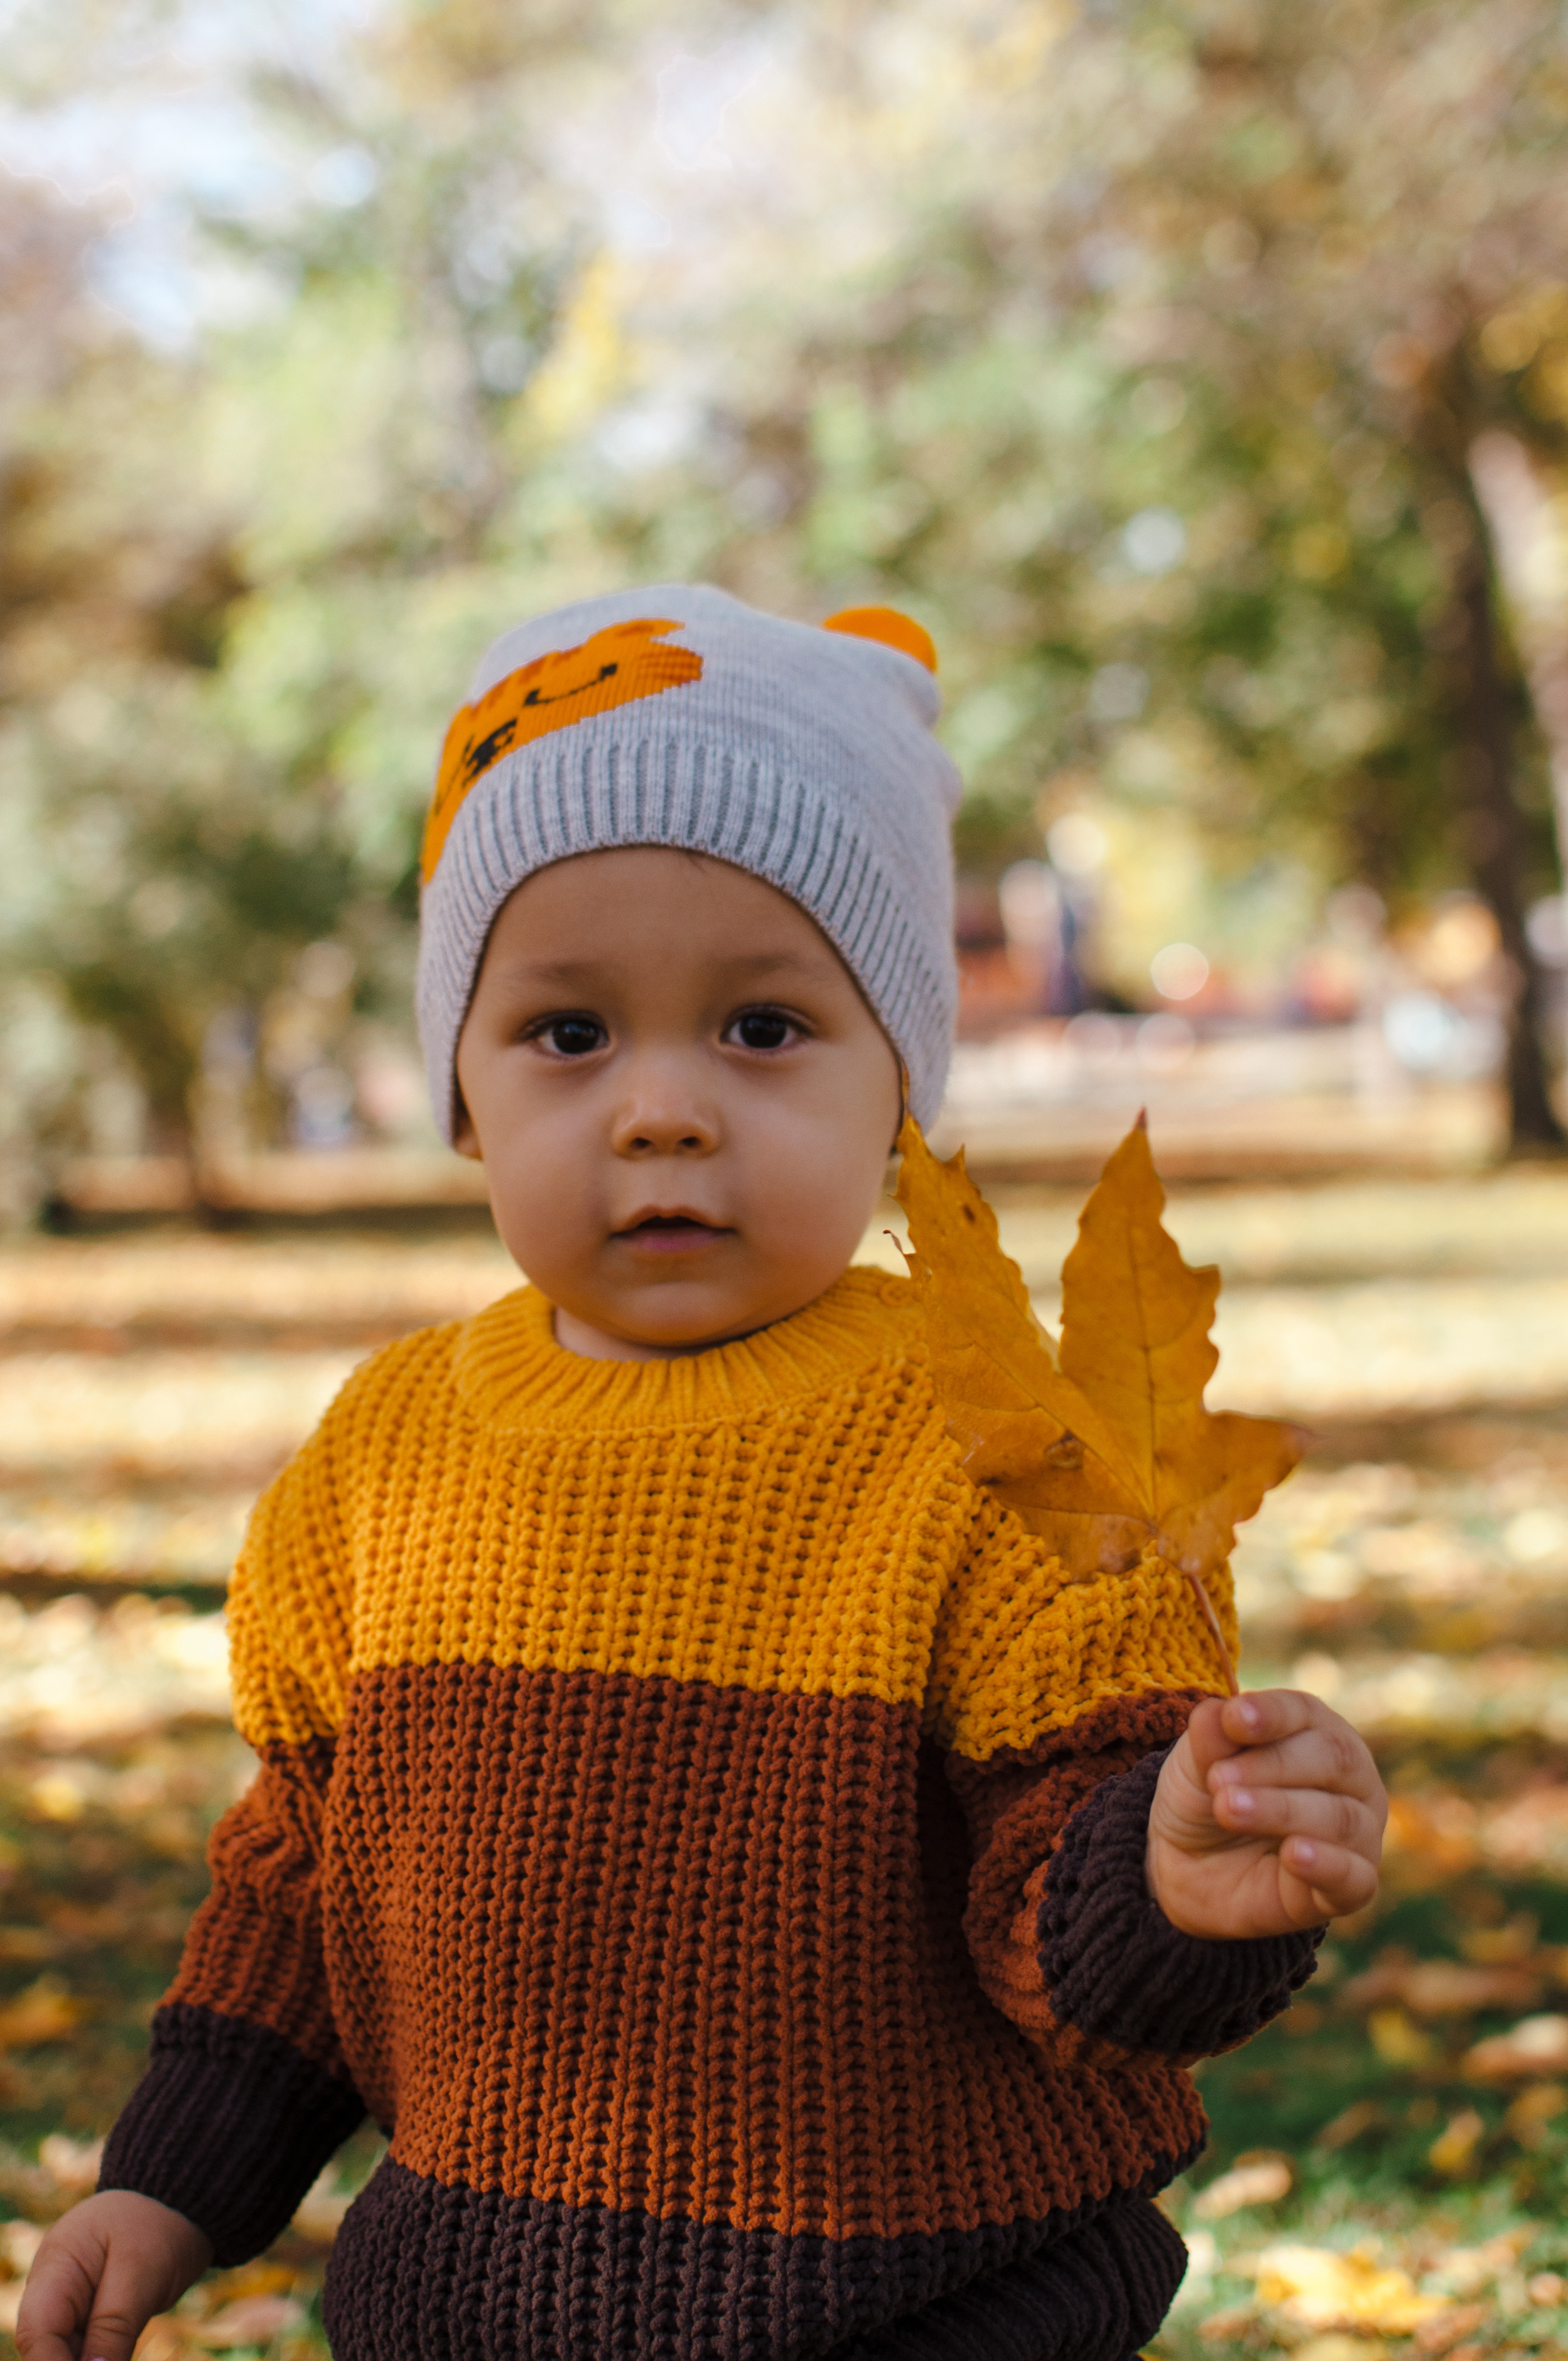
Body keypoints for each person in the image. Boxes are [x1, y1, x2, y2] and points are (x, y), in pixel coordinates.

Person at [19, 589, 1387, 2361]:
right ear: (462, 1097)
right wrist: (172, 2184)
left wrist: (1171, 1882)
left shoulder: (1005, 1449)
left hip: (923, 2304)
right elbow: (306, 1872)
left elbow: (1070, 1877)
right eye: (568, 1035)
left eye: (761, 1028)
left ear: (902, 1092)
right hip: (469, 2312)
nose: (661, 1107)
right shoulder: (379, 1462)